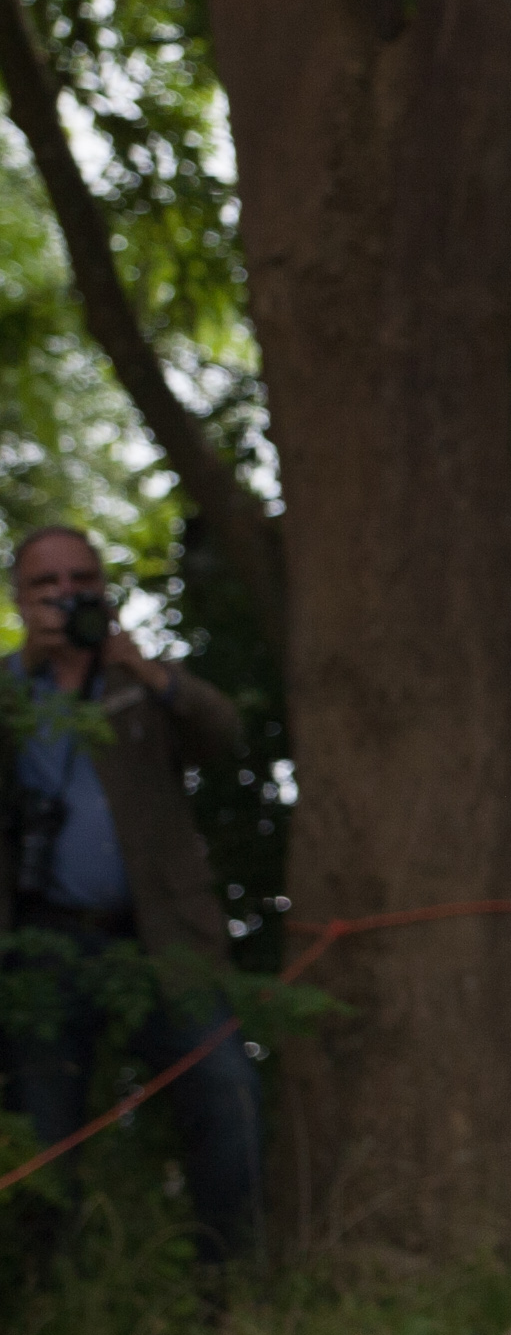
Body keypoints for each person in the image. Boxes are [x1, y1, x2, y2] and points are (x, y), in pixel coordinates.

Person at [6, 524, 261, 1274]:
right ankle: (50, 1303)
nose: (66, 596)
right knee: (43, 1131)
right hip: (44, 945)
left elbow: (225, 734)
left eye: (81, 580)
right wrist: (28, 670)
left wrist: (148, 672)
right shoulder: (9, 692)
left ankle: (229, 1291)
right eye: (46, 584)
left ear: (104, 589)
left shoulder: (137, 683)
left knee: (226, 1091)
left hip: (162, 938)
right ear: (20, 600)